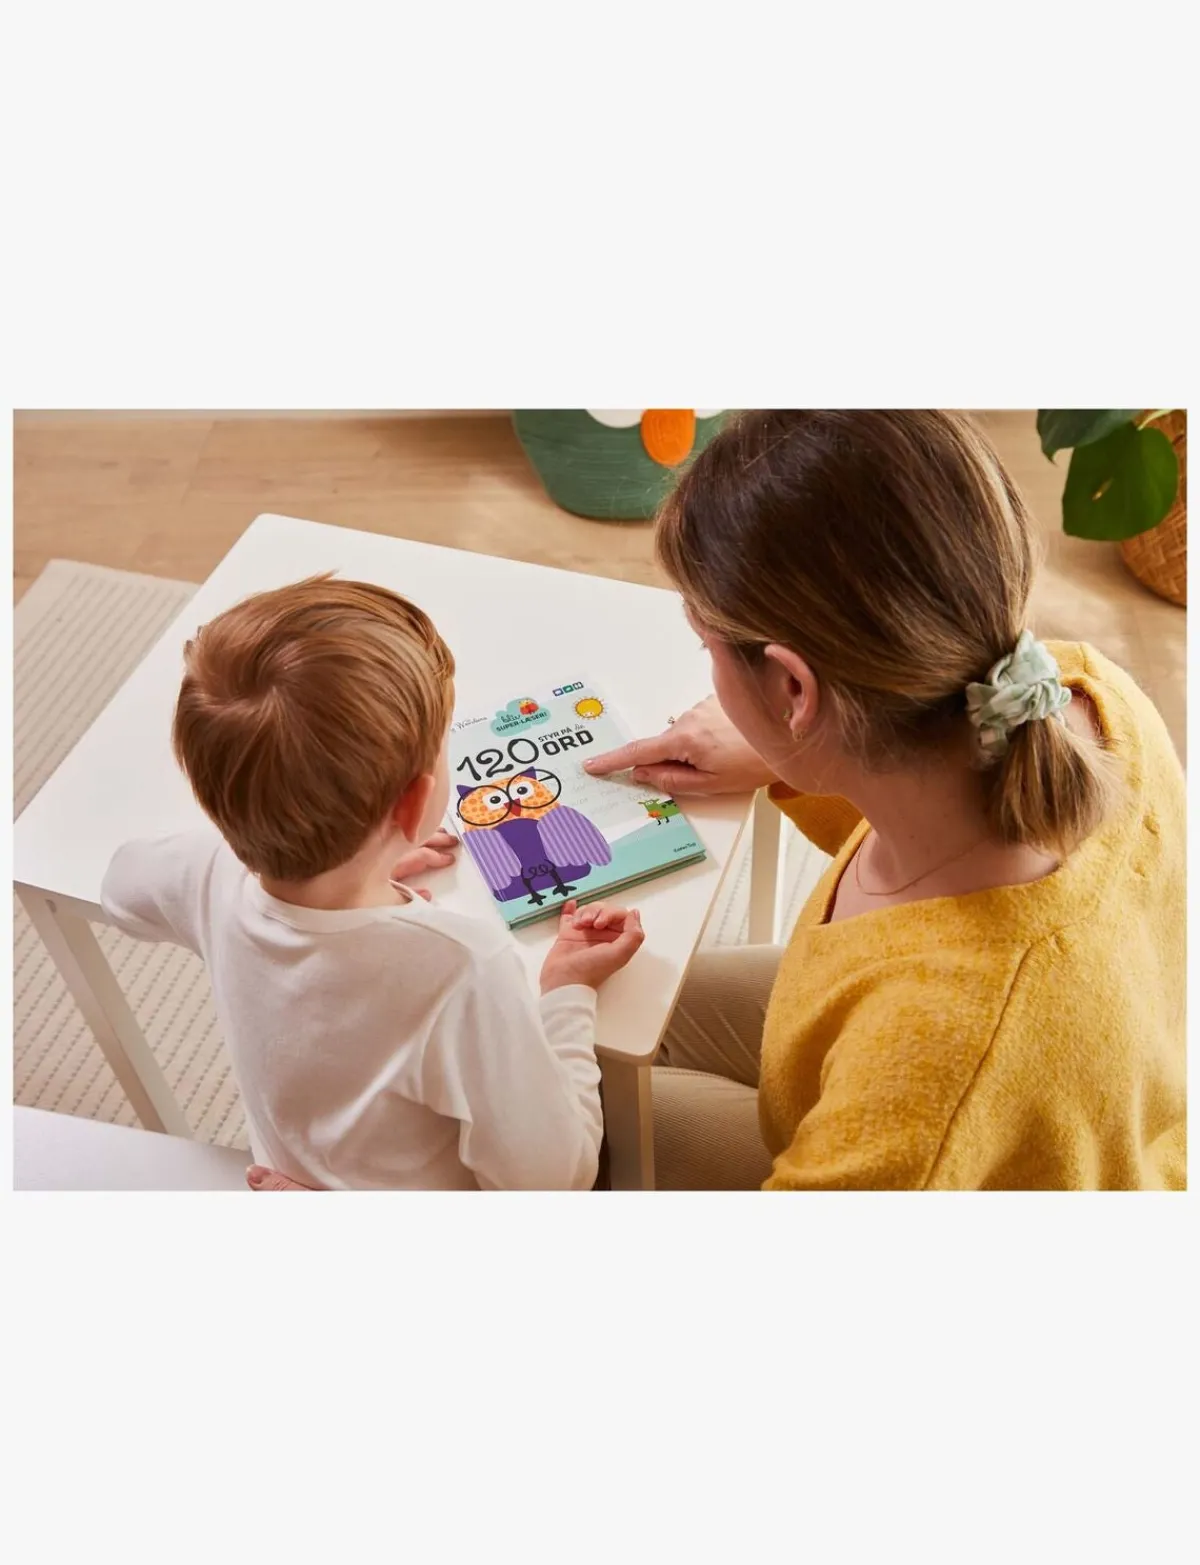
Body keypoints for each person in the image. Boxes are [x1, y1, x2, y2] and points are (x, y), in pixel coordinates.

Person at [585, 409, 1186, 1190]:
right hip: (1031, 1092)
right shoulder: (1077, 690)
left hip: (944, 1121)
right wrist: (780, 752)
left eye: (709, 647)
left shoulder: (937, 1067)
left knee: (562, 1111)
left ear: (795, 688)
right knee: (602, 1014)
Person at [101, 576, 643, 1190]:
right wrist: (566, 994)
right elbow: (552, 1181)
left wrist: (345, 859)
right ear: (412, 807)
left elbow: (118, 888)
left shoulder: (207, 874)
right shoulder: (461, 966)